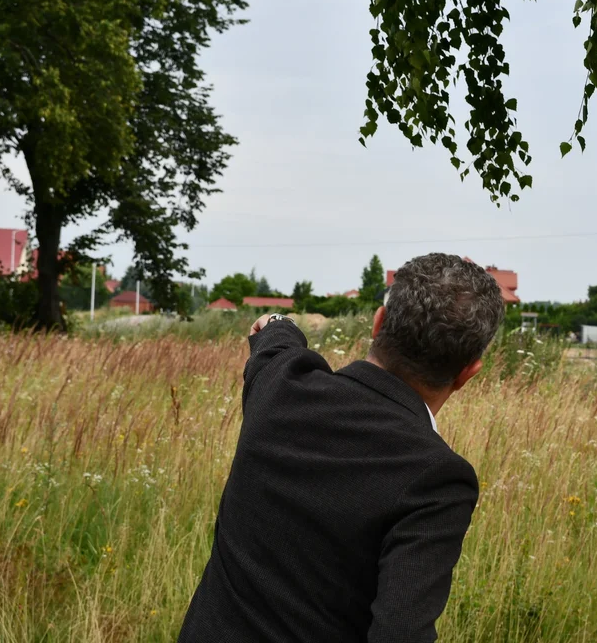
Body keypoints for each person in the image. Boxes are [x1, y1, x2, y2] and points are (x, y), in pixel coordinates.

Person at [179, 253, 505, 643]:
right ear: (469, 372)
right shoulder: (438, 478)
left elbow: (274, 344)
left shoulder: (283, 388)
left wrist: (279, 324)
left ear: (378, 324)